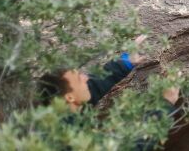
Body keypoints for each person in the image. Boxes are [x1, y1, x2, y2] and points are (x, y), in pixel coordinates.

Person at [38, 35, 178, 148]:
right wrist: (165, 105)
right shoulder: (71, 142)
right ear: (69, 98)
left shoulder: (60, 115)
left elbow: (92, 87)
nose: (86, 77)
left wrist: (125, 62)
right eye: (80, 80)